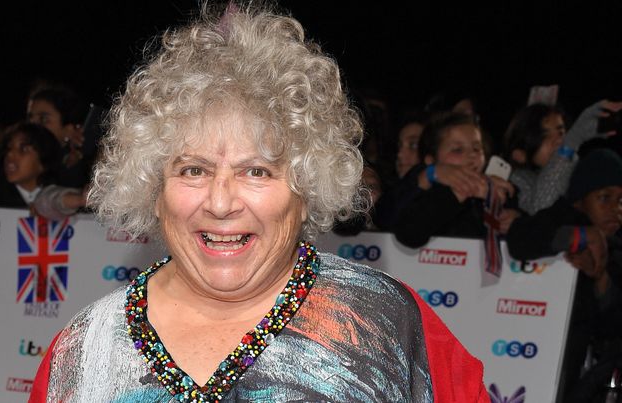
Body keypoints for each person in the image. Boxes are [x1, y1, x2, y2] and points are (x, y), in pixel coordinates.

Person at [30, 5, 488, 402]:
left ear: (307, 187)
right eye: (193, 170)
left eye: (257, 171)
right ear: (154, 188)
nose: (222, 201)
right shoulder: (81, 351)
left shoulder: (389, 323)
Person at [506, 149, 622, 401]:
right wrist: (575, 237)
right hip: (527, 361)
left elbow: (610, 331)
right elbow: (519, 240)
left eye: (621, 200)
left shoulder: (617, 249)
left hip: (582, 381)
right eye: (604, 198)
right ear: (580, 200)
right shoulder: (559, 217)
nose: (615, 208)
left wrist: (600, 278)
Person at [390, 112, 519, 249]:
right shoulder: (423, 193)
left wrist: (515, 221)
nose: (472, 155)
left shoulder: (499, 190)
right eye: (457, 150)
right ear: (431, 161)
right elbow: (409, 234)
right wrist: (457, 193)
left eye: (477, 148)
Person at [504, 100, 622, 215]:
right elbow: (543, 212)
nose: (559, 140)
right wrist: (573, 140)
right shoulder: (517, 182)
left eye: (561, 132)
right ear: (520, 155)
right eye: (544, 136)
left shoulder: (577, 169)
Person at [27, 86, 92, 188]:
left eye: (43, 119)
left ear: (69, 129)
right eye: (30, 119)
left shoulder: (83, 167)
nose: (32, 127)